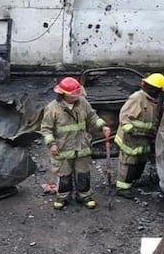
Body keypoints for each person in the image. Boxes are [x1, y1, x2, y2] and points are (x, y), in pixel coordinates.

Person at [40, 76, 111, 209]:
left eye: (78, 94)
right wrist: (52, 144)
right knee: (64, 175)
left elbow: (92, 117)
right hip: (63, 149)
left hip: (82, 147)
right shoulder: (52, 109)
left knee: (83, 173)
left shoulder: (82, 103)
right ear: (63, 94)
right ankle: (63, 197)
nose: (76, 97)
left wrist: (102, 126)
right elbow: (46, 129)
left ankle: (84, 196)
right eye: (73, 95)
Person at [114, 73, 164, 197]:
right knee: (128, 162)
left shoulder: (155, 101)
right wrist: (130, 130)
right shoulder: (137, 98)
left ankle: (132, 181)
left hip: (144, 137)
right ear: (154, 89)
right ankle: (122, 188)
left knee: (140, 161)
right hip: (131, 138)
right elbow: (124, 116)